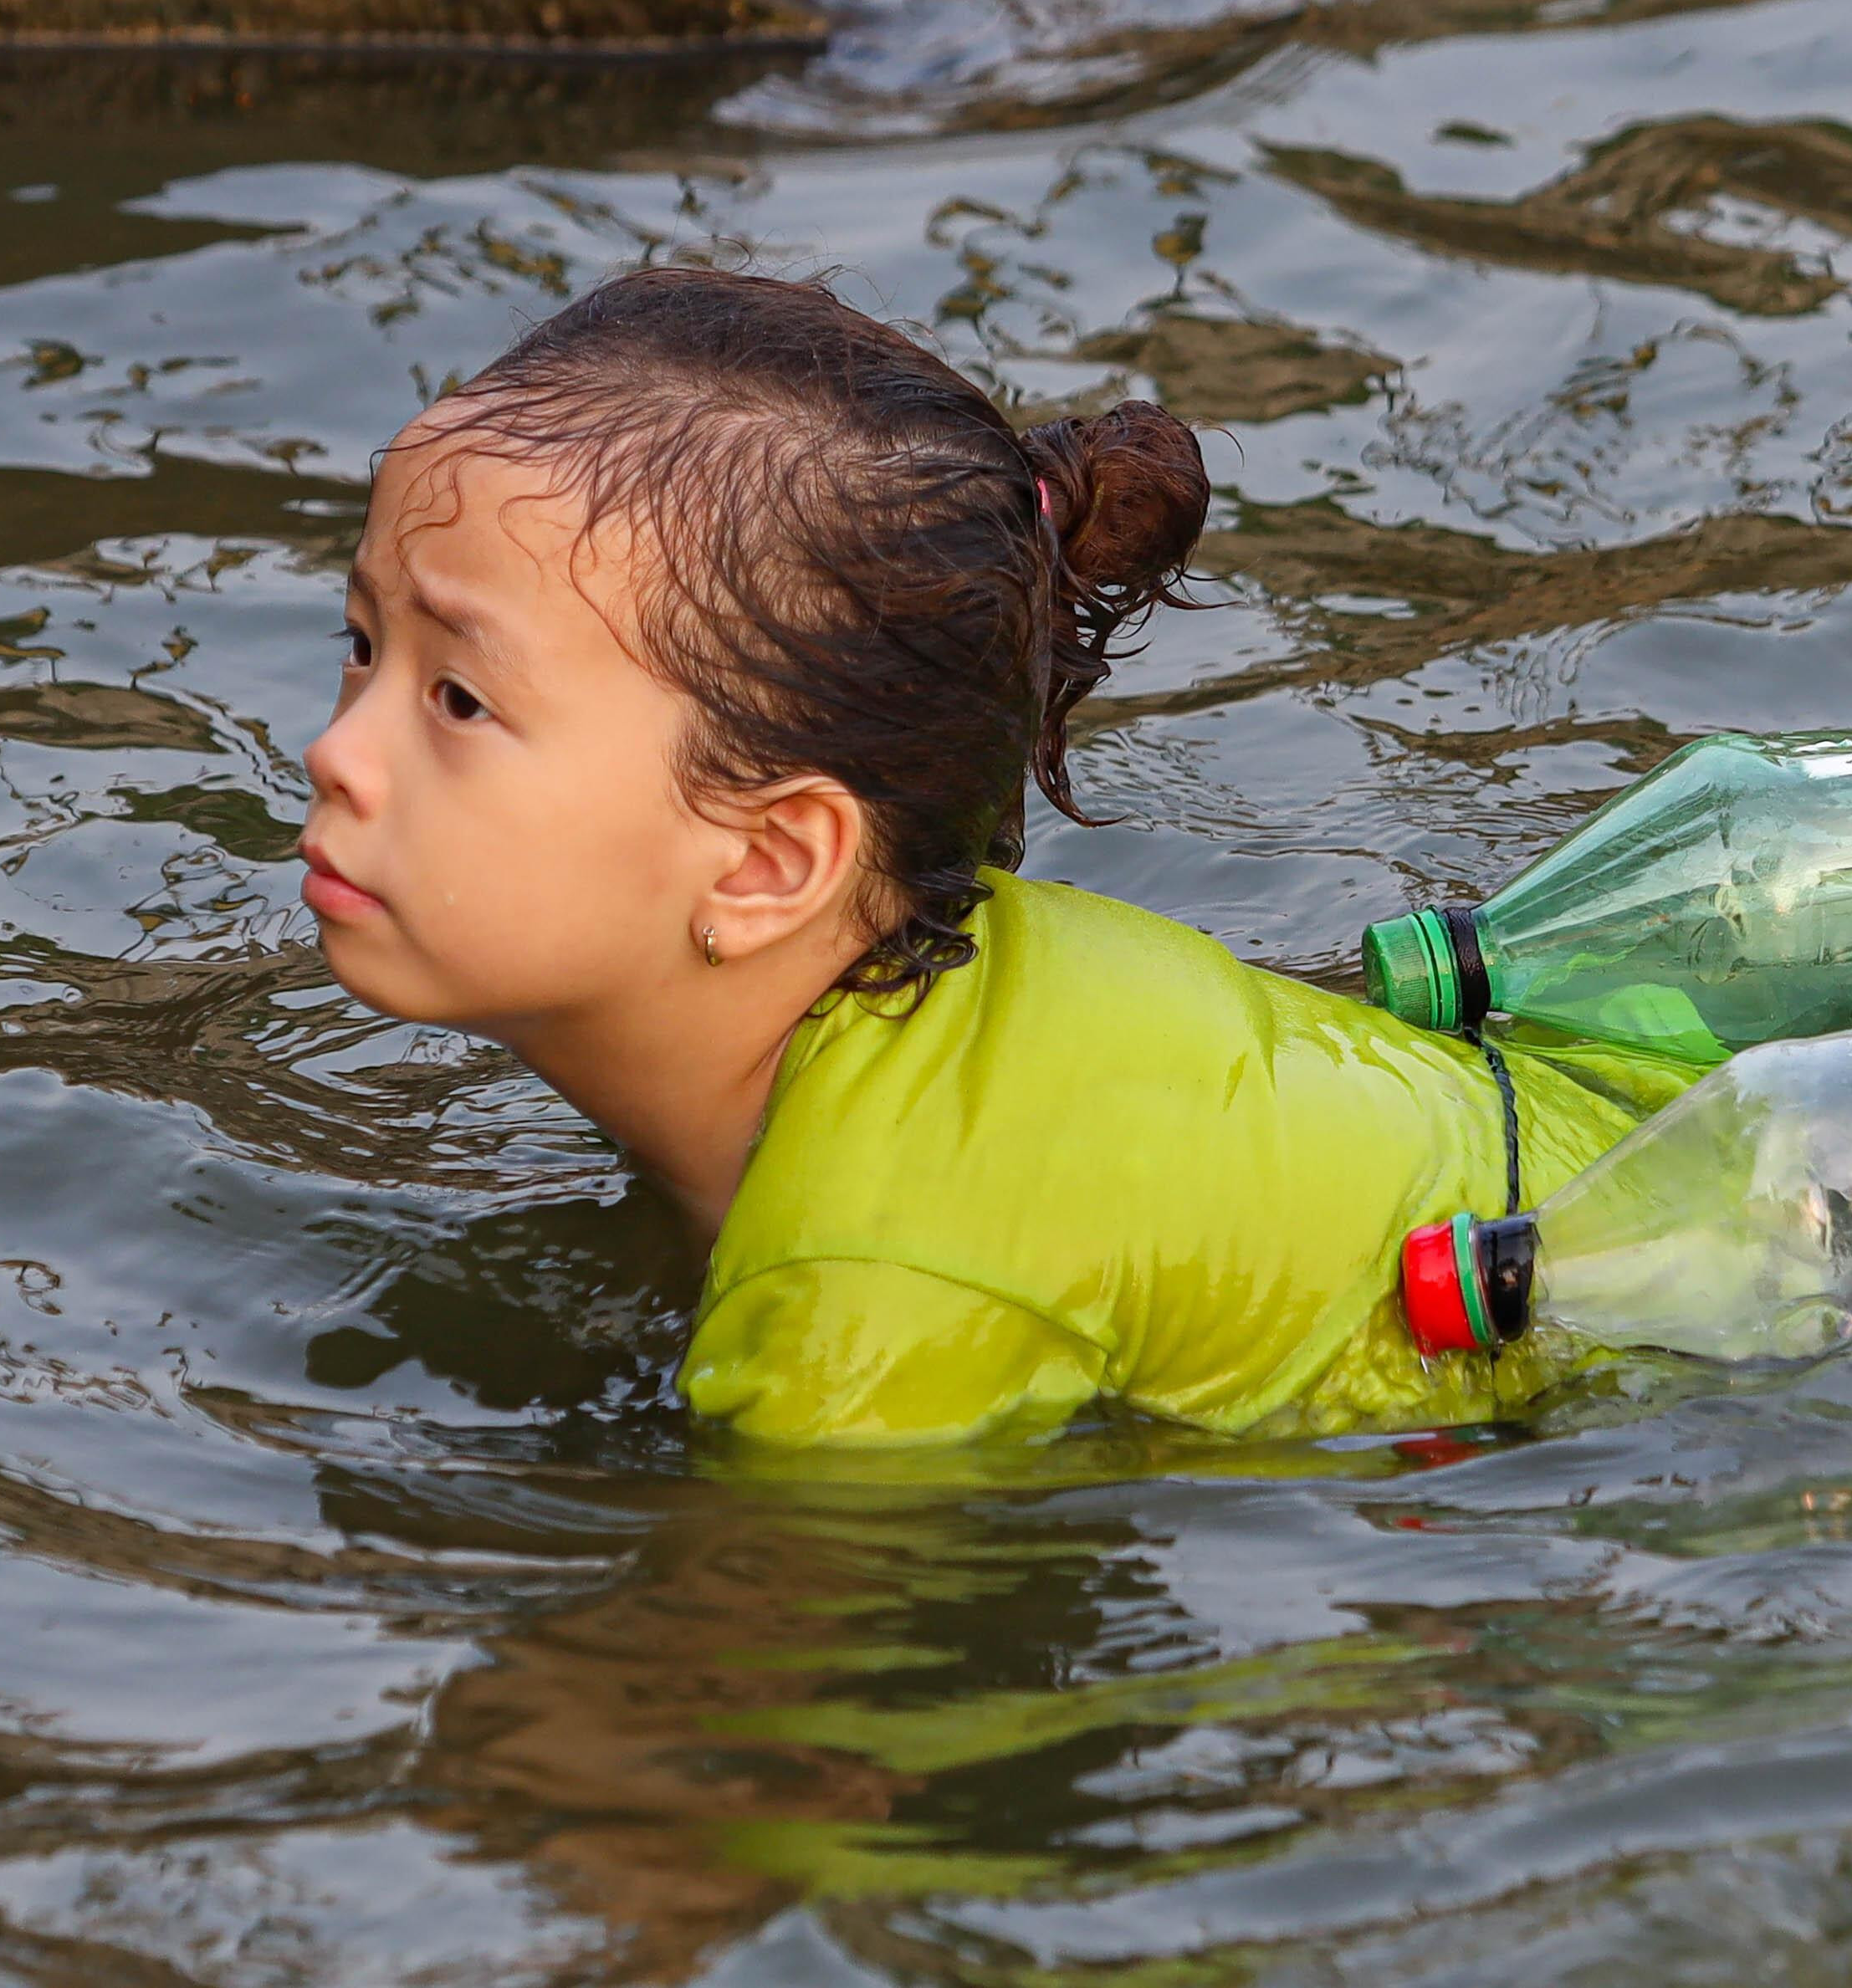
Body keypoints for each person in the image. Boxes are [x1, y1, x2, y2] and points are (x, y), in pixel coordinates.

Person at [300, 266, 1706, 1448]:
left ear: (769, 862)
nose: (338, 755)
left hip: (1711, 1359)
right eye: (365, 645)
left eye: (460, 702)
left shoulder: (868, 1309)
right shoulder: (908, 1027)